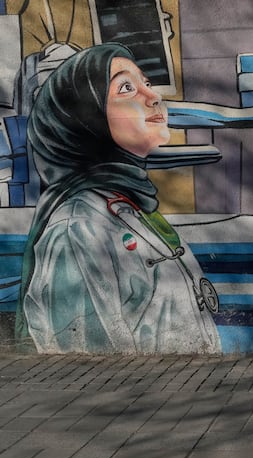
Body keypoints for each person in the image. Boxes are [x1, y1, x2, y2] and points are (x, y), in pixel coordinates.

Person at [15, 43, 221, 354]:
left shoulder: (129, 208)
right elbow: (86, 366)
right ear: (83, 119)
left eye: (146, 84)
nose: (154, 96)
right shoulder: (79, 229)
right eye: (127, 88)